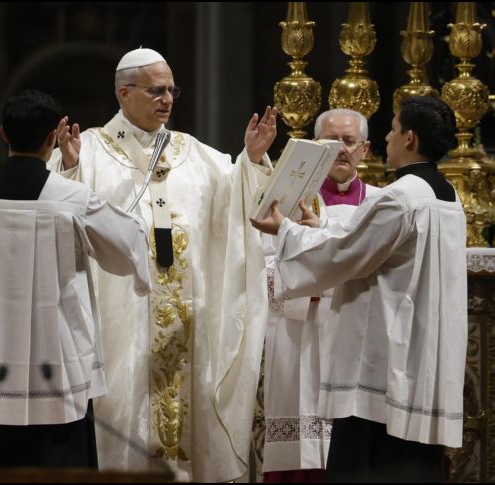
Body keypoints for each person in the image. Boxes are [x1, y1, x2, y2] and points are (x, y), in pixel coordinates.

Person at [48, 47, 277, 481]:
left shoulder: (195, 153)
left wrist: (249, 161)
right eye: (156, 90)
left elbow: (235, 205)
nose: (167, 99)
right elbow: (60, 218)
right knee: (121, 412)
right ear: (124, 93)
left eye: (172, 90)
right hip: (122, 325)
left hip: (189, 319)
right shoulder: (89, 150)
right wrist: (72, 170)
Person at [252, 96, 466, 482]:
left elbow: (343, 256)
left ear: (411, 138)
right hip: (422, 358)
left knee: (371, 468)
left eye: (393, 129)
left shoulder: (402, 197)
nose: (387, 138)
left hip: (383, 365)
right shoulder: (447, 196)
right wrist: (318, 229)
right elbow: (364, 245)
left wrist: (284, 229)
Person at [0, 89, 151, 470]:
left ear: (3, 133)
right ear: (53, 137)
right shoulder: (71, 196)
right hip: (55, 356)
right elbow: (130, 245)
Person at [262, 108, 379, 482]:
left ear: (365, 150)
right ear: (315, 148)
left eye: (349, 141)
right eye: (331, 142)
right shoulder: (287, 201)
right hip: (300, 336)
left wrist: (317, 269)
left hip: (355, 337)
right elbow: (262, 265)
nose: (341, 150)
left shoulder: (381, 204)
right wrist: (316, 279)